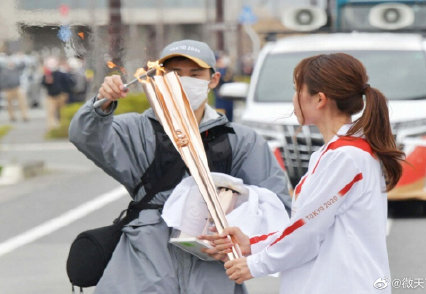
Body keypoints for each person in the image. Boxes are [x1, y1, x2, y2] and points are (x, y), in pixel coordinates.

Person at [68, 39, 291, 294]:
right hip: (144, 267)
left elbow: (276, 206)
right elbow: (85, 136)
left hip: (212, 272)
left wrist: (242, 235)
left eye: (195, 74)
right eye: (174, 73)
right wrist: (102, 102)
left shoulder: (239, 139)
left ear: (213, 80)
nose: (184, 81)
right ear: (159, 77)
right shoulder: (138, 130)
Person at [200, 53, 405, 294]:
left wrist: (255, 265)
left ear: (319, 99)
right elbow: (306, 225)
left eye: (298, 89)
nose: (294, 98)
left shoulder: (346, 157)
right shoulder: (337, 153)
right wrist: (251, 245)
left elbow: (307, 231)